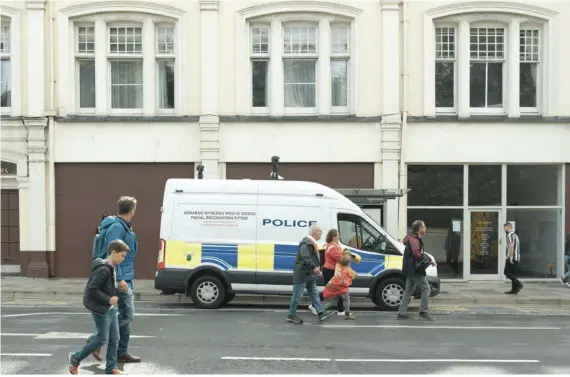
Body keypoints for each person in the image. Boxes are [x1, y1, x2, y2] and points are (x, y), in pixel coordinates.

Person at [88, 197, 140, 363]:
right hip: (121, 278)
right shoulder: (117, 227)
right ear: (132, 210)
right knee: (127, 314)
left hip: (125, 276)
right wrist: (118, 279)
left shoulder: (123, 226)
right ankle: (97, 340)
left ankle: (120, 351)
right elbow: (111, 255)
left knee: (125, 314)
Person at [68, 240, 130, 375]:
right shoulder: (103, 269)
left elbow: (107, 287)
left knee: (115, 338)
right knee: (102, 338)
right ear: (113, 252)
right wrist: (108, 299)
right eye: (122, 256)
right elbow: (92, 289)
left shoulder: (113, 267)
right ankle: (75, 358)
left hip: (110, 308)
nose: (123, 259)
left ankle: (111, 367)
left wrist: (118, 287)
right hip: (101, 308)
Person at [287, 224, 332, 324]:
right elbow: (305, 257)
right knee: (297, 295)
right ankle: (291, 315)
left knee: (314, 293)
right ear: (314, 232)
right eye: (320, 231)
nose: (321, 234)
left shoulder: (311, 243)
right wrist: (314, 267)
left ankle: (321, 313)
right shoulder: (306, 243)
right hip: (302, 273)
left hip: (309, 274)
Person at [397, 220, 435, 321]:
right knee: (426, 288)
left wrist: (428, 259)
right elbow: (417, 254)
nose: (425, 228)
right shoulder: (414, 240)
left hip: (410, 268)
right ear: (419, 229)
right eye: (424, 227)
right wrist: (428, 259)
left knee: (408, 290)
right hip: (415, 269)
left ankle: (401, 312)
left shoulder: (411, 238)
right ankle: (423, 311)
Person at [317, 229, 345, 315]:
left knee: (337, 290)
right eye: (338, 235)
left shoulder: (335, 245)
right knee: (331, 290)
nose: (339, 237)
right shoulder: (332, 247)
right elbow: (341, 258)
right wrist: (347, 256)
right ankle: (314, 304)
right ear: (333, 237)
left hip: (332, 270)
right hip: (330, 271)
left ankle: (341, 310)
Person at [322, 254, 356, 320]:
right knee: (346, 300)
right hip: (342, 288)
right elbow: (353, 275)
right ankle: (347, 314)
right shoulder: (348, 270)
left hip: (336, 286)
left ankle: (322, 310)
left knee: (335, 301)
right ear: (348, 263)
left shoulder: (340, 268)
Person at [504, 222, 523, 294]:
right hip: (517, 257)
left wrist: (510, 257)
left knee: (506, 272)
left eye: (505, 228)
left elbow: (511, 245)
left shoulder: (510, 235)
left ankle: (519, 284)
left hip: (512, 257)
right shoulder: (516, 235)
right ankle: (514, 290)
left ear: (508, 227)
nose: (504, 230)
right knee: (513, 274)